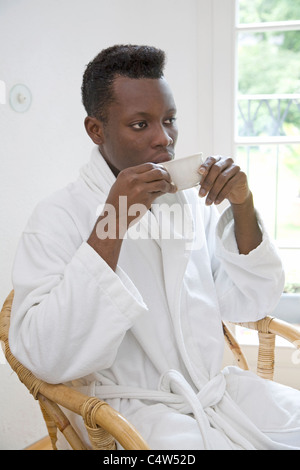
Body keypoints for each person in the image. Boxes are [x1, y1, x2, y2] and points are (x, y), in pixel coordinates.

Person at [9, 45, 300, 450]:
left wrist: (242, 202)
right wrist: (113, 221)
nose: (164, 139)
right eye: (141, 124)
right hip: (132, 415)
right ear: (97, 130)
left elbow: (250, 302)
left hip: (214, 391)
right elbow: (45, 355)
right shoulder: (58, 216)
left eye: (169, 120)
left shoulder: (188, 205)